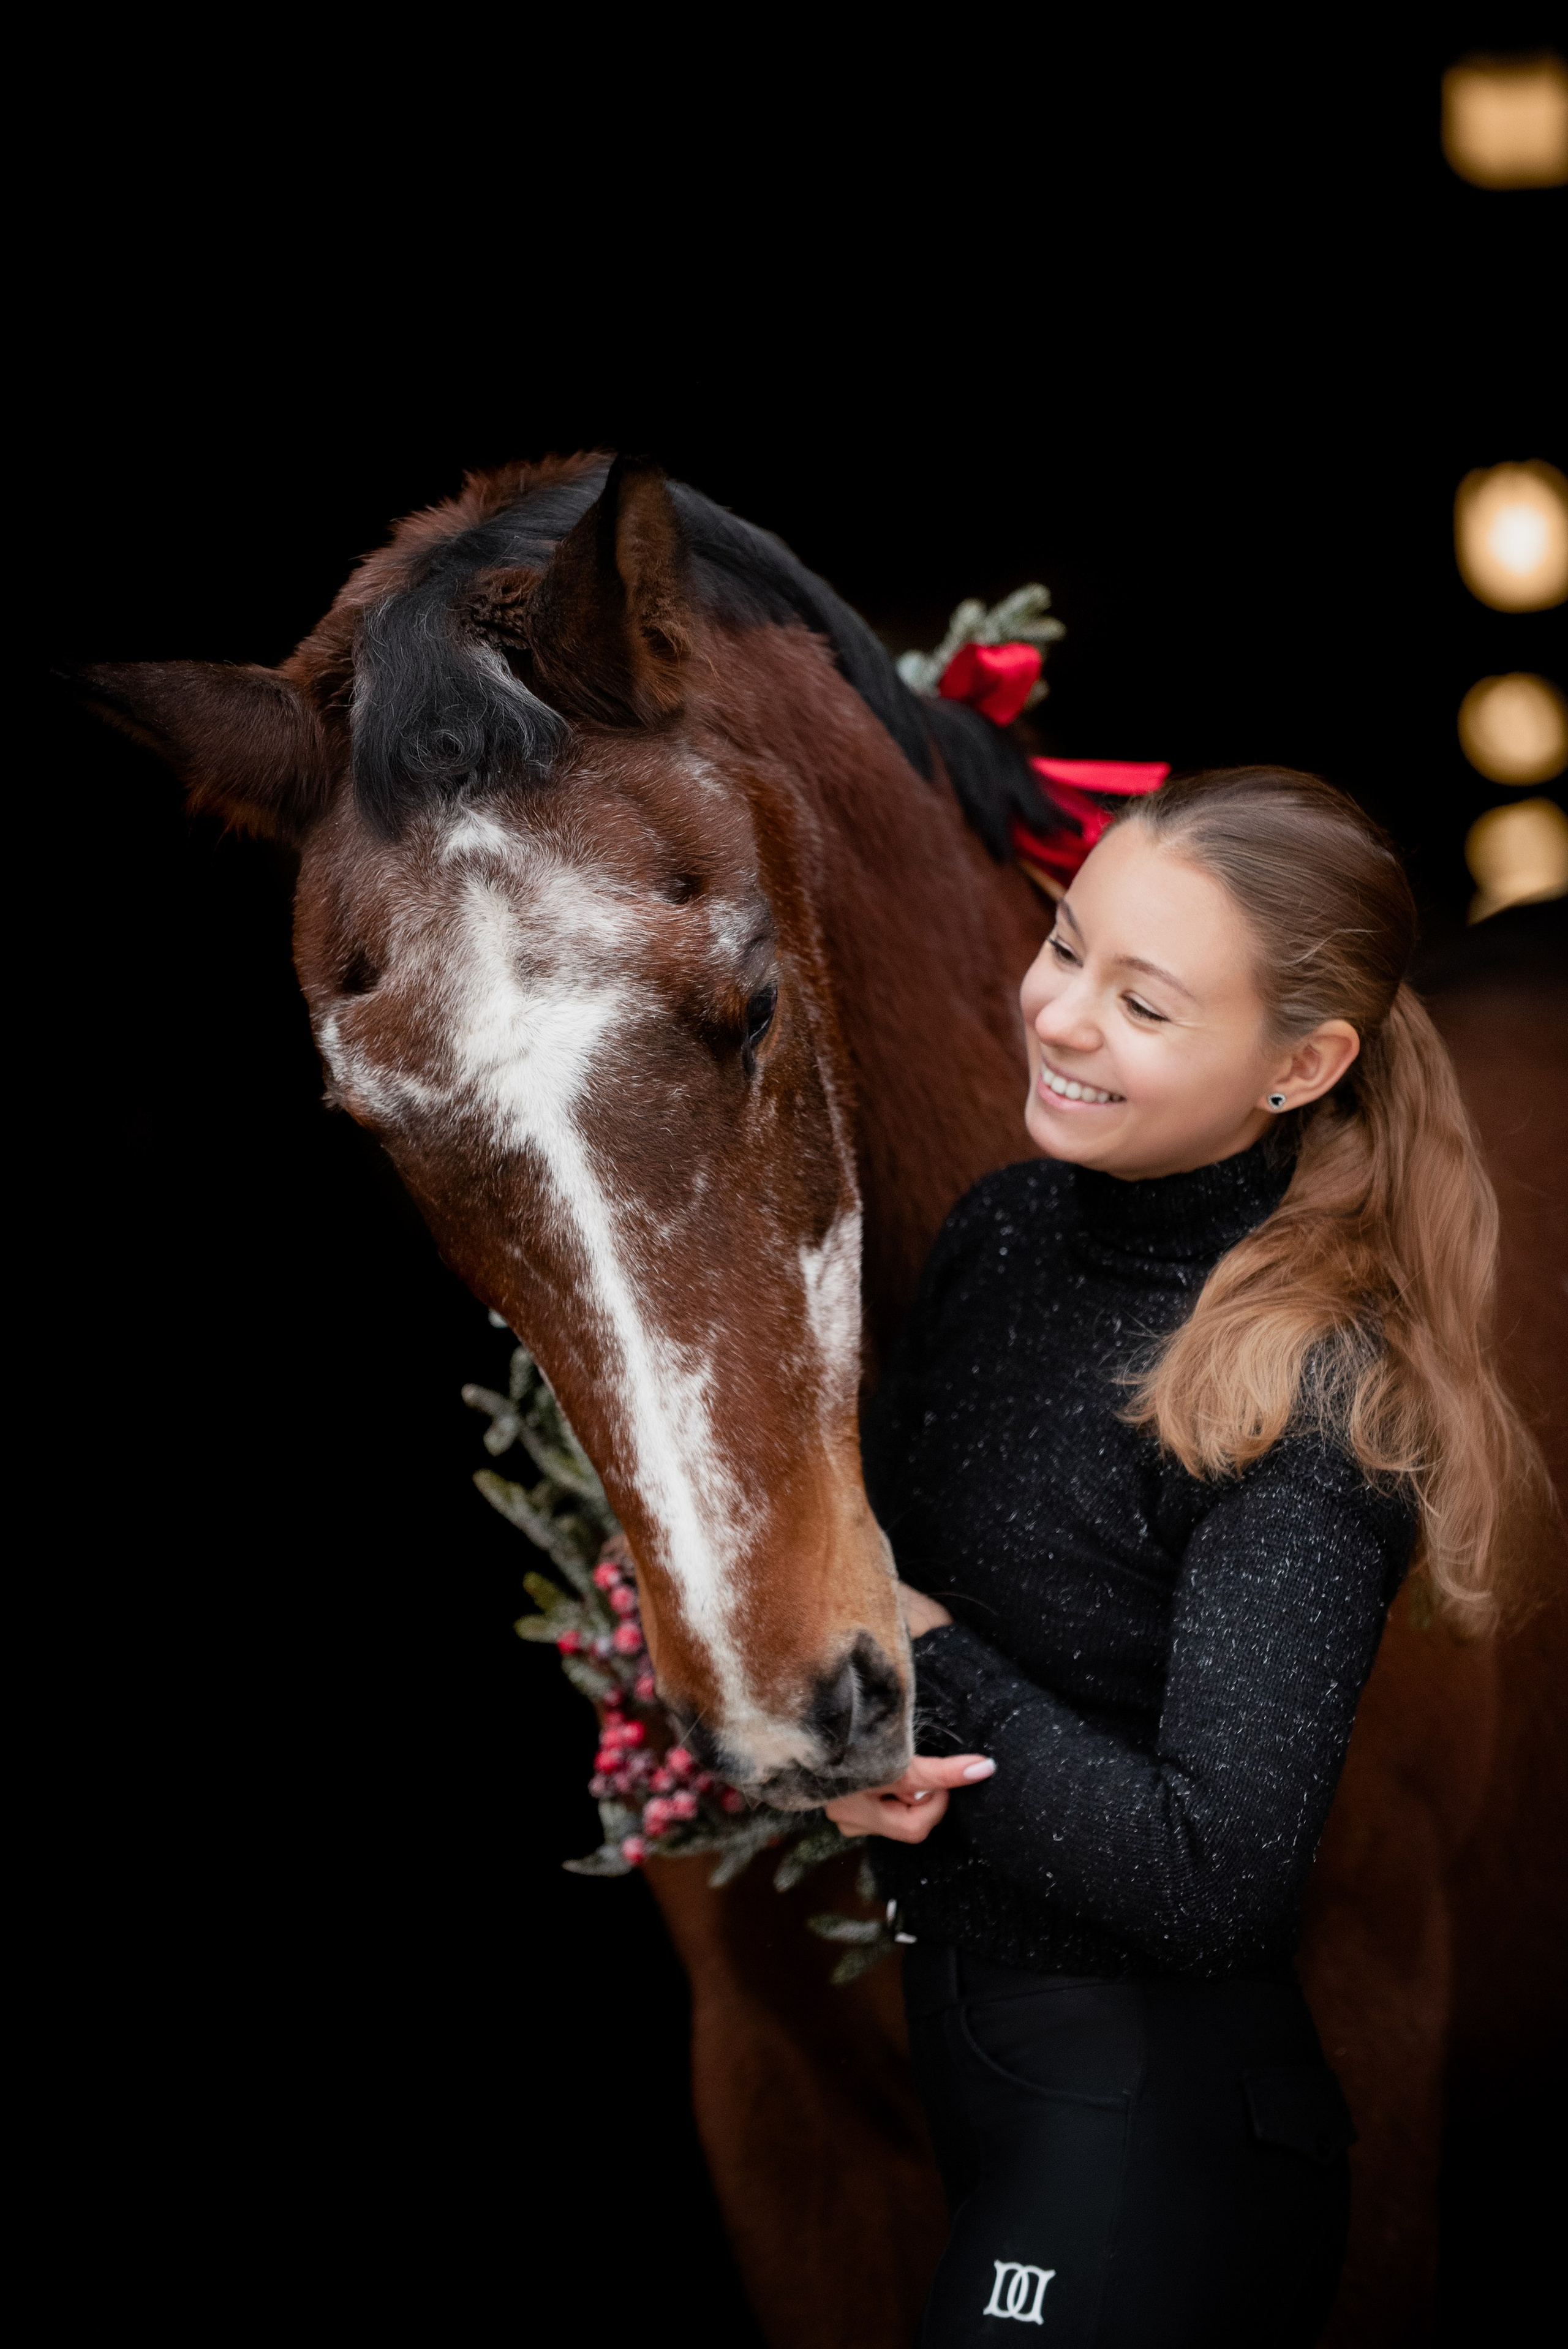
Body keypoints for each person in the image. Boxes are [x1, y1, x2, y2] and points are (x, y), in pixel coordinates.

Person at [827, 768, 1548, 2348]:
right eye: (1065, 945)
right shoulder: (1000, 1235)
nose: (1062, 1016)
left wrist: (923, 1660)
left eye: (1143, 1004)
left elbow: (1218, 1880)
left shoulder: (1313, 1384)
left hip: (1156, 2135)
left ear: (1303, 1065)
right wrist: (858, 1750)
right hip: (979, 2089)